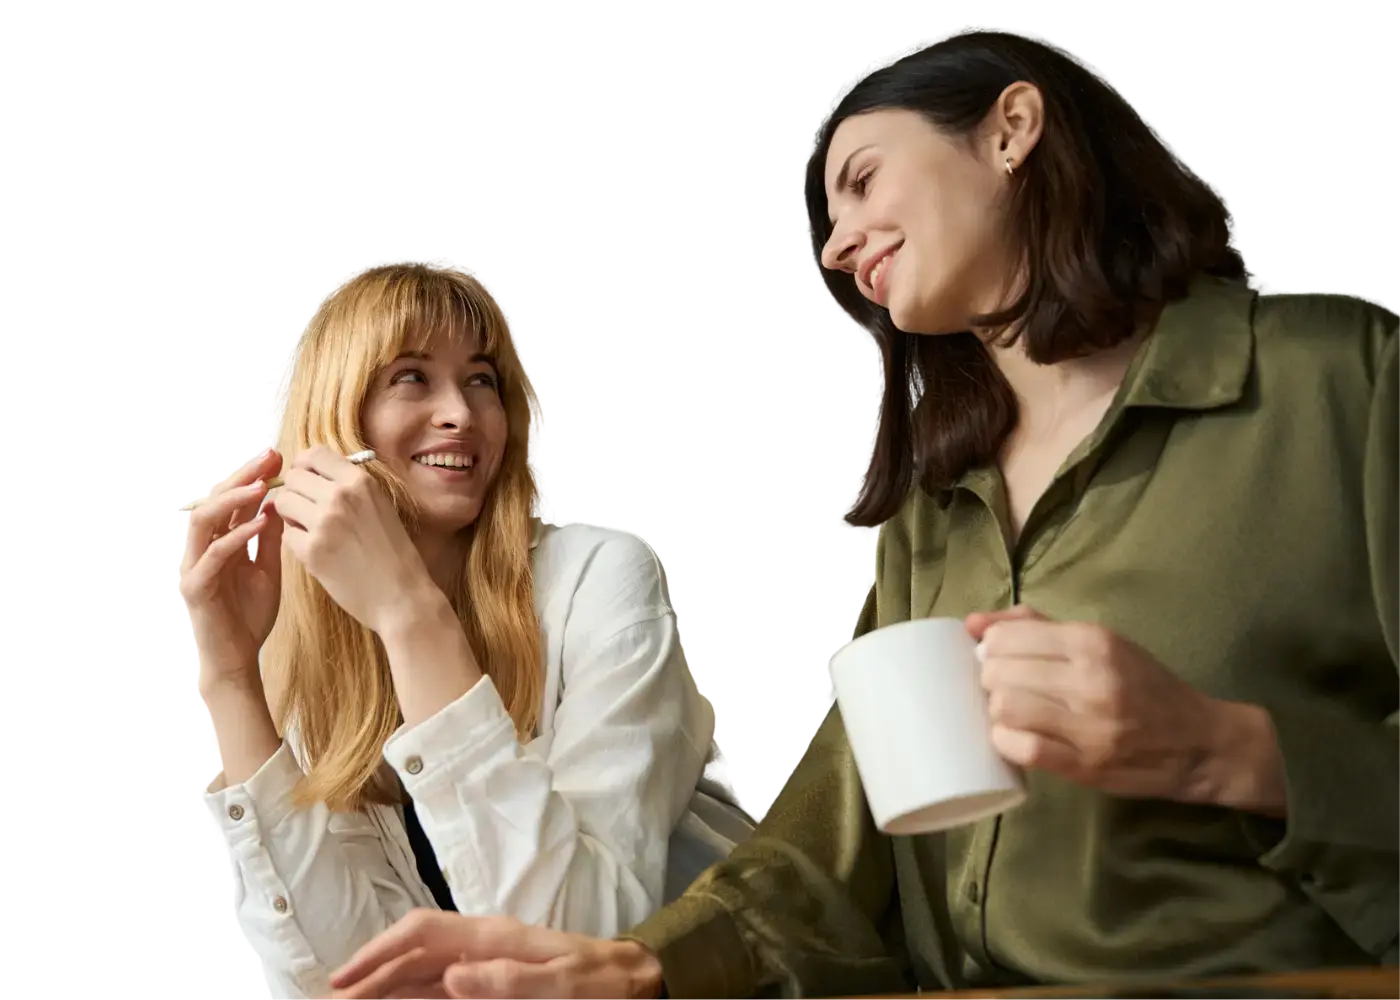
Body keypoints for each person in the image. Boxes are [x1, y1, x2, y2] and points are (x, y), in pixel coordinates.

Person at [314, 27, 1400, 1000]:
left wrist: (1229, 750)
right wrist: (641, 963)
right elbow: (835, 830)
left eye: (862, 180)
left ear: (1009, 130)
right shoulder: (933, 510)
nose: (836, 245)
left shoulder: (1338, 377)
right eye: (828, 221)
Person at [185, 257, 754, 1000]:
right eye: (412, 377)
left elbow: (580, 940)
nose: (460, 412)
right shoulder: (313, 624)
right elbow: (339, 973)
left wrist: (408, 612)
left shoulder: (601, 578)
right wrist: (231, 677)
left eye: (481, 379)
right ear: (336, 418)